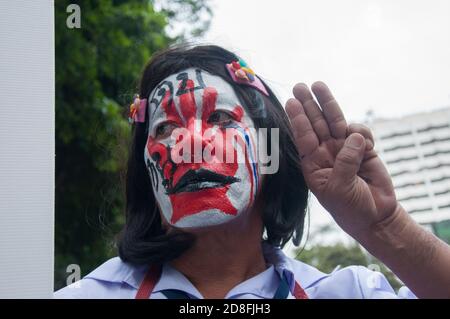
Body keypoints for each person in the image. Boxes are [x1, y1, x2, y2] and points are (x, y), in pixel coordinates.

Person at [55, 44, 450, 299]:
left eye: (221, 117)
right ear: (148, 172)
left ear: (270, 155)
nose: (191, 142)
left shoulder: (348, 293)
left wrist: (383, 226)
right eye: (165, 128)